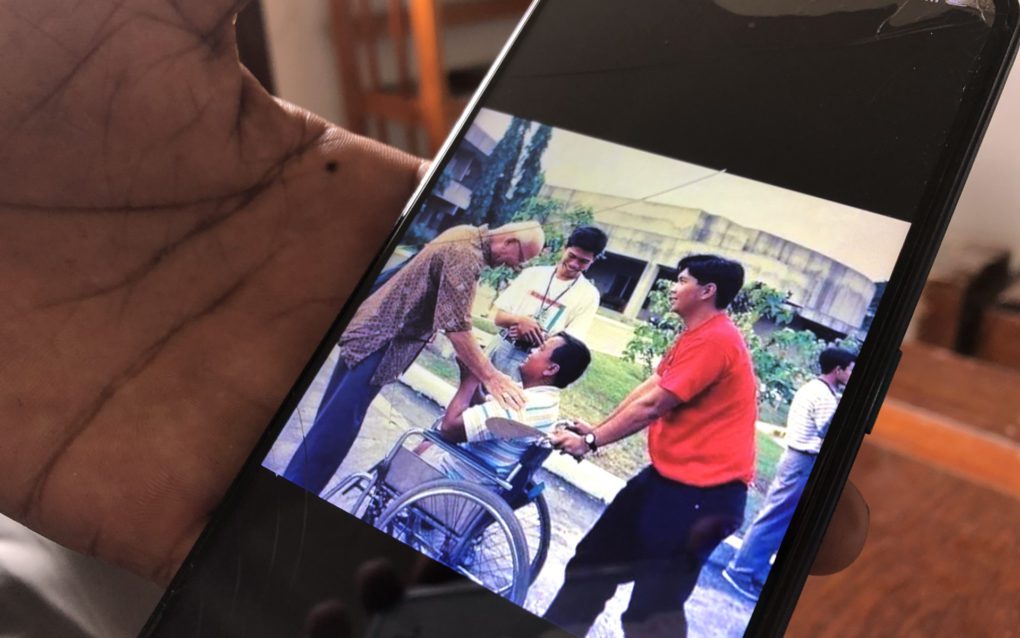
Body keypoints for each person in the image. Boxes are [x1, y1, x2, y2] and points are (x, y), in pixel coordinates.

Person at [1, 2, 867, 634]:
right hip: (400, 345)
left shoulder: (613, 328)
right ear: (514, 250)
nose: (536, 270)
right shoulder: (466, 255)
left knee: (349, 439)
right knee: (335, 429)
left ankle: (297, 502)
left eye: (551, 265)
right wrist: (499, 370)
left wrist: (525, 400)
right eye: (531, 261)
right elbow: (469, 327)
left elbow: (600, 395)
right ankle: (295, 500)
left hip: (536, 417)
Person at [544, 254, 757, 637]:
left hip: (705, 495)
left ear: (707, 291)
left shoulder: (717, 341)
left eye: (682, 280)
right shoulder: (696, 334)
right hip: (667, 480)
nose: (672, 288)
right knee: (592, 564)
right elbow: (652, 388)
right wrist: (597, 429)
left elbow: (655, 405)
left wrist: (590, 442)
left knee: (651, 613)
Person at [282, 221, 545, 496]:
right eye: (521, 260)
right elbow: (457, 328)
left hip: (370, 331)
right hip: (380, 343)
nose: (515, 267)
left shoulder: (465, 233)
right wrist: (492, 377)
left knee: (329, 421)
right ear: (509, 242)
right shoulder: (466, 255)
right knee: (335, 431)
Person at [722, 347, 857, 600]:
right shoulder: (825, 397)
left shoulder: (817, 389)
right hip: (802, 461)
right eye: (851, 370)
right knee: (774, 518)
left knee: (780, 520)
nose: (853, 374)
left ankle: (755, 572)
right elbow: (828, 433)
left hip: (796, 459)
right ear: (837, 369)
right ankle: (739, 572)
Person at [438, 332, 592, 478]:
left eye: (541, 349)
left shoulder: (523, 405)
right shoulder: (542, 399)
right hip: (468, 475)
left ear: (551, 369)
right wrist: (476, 377)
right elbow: (488, 416)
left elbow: (448, 430)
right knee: (425, 447)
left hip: (452, 478)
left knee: (424, 445)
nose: (532, 350)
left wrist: (468, 381)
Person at [487, 226, 607, 382]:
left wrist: (536, 336)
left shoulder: (589, 295)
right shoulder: (533, 274)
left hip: (532, 362)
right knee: (472, 396)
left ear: (594, 260)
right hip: (501, 346)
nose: (574, 264)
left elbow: (571, 344)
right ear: (564, 248)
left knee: (504, 404)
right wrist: (521, 321)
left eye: (583, 261)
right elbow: (499, 318)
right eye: (572, 256)